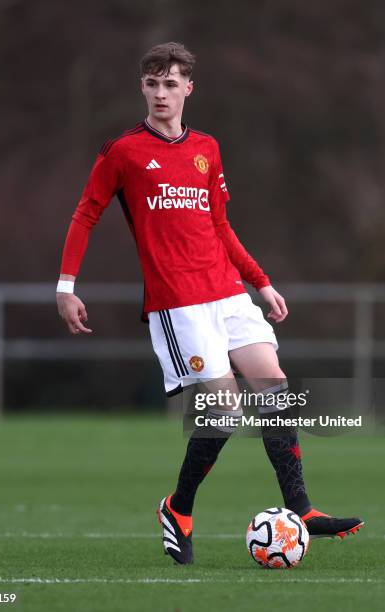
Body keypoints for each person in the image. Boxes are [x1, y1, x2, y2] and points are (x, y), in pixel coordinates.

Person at [56, 42, 363, 565]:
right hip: (178, 303)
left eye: (171, 84)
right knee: (223, 411)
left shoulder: (207, 148)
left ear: (188, 88)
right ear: (142, 87)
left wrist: (260, 281)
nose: (160, 94)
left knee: (274, 388)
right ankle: (178, 508)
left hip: (228, 292)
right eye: (152, 83)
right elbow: (86, 213)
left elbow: (219, 225)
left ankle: (301, 508)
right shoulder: (123, 152)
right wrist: (66, 285)